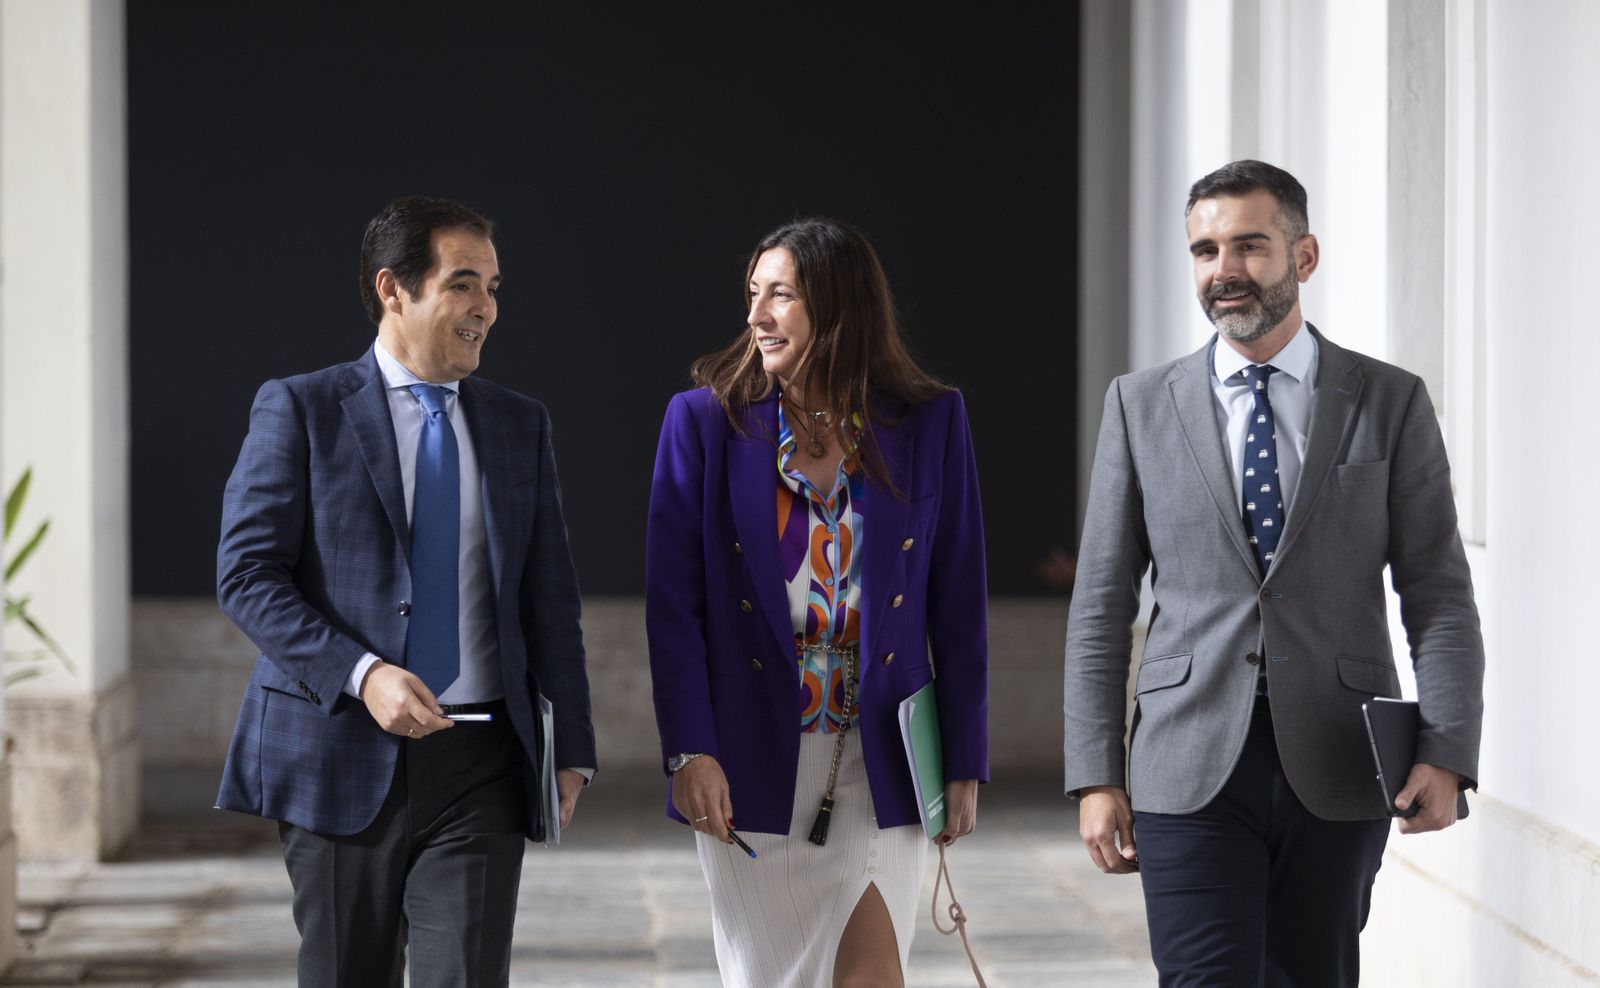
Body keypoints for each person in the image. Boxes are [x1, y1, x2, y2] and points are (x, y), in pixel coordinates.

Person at [1064, 160, 1485, 986]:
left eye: (1249, 246)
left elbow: (1438, 595)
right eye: (1205, 249)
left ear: (1304, 256)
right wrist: (1094, 772)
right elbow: (1102, 605)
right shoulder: (1139, 405)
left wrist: (1445, 748)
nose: (1224, 270)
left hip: (1338, 757)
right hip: (1185, 761)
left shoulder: (1389, 402)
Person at [214, 196, 596, 987]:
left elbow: (549, 596)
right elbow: (247, 575)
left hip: (483, 759)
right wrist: (364, 673)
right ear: (394, 289)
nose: (484, 308)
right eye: (463, 284)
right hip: (339, 754)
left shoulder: (519, 425)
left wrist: (573, 750)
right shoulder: (302, 409)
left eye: (492, 288)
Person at [646, 217, 990, 987]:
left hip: (881, 759)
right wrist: (689, 751)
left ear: (839, 306)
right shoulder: (702, 423)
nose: (756, 315)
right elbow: (674, 611)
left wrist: (962, 758)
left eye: (781, 295)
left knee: (872, 976)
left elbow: (958, 602)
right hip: (752, 763)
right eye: (752, 294)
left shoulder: (930, 423)